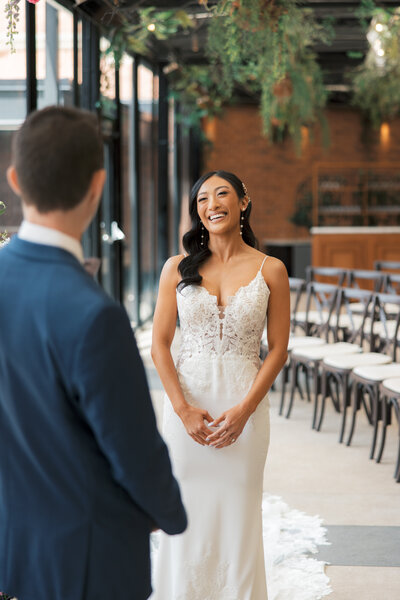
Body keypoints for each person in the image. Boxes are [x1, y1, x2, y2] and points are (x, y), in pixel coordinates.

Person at [0, 106, 187, 600]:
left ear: (15, 179)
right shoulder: (93, 313)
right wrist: (169, 513)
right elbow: (133, 450)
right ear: (97, 185)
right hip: (90, 559)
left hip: (16, 548)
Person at [151, 170, 290, 599]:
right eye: (202, 199)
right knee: (185, 513)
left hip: (244, 412)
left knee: (239, 514)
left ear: (243, 202)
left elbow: (279, 350)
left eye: (222, 194)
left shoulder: (272, 270)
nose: (211, 204)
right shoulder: (176, 268)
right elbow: (158, 344)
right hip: (187, 412)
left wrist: (246, 411)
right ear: (197, 212)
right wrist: (182, 409)